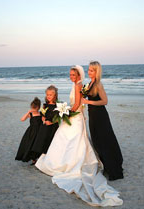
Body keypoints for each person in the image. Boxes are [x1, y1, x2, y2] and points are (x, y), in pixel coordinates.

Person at [35, 65, 123, 207]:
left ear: (78, 75)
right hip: (78, 115)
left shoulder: (78, 86)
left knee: (70, 139)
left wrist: (65, 113)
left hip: (76, 116)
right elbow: (78, 103)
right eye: (70, 74)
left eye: (73, 75)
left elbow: (77, 104)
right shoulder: (80, 85)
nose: (71, 76)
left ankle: (68, 164)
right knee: (72, 139)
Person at [82, 61, 124, 181]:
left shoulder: (98, 84)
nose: (89, 72)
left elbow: (105, 101)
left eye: (91, 70)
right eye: (89, 70)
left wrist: (88, 102)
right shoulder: (90, 83)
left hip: (100, 116)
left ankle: (112, 167)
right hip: (93, 115)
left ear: (96, 71)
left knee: (105, 141)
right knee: (96, 140)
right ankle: (105, 165)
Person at [30, 85, 59, 163]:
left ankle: (47, 158)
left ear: (55, 95)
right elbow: (42, 115)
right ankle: (35, 158)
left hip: (53, 126)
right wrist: (45, 120)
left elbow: (59, 118)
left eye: (50, 95)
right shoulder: (45, 105)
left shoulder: (57, 106)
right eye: (47, 95)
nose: (48, 96)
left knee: (49, 141)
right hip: (45, 126)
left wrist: (51, 122)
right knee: (41, 140)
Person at [15, 97, 42, 163]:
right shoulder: (30, 114)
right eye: (32, 108)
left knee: (37, 144)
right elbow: (22, 119)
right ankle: (33, 160)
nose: (33, 109)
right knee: (30, 144)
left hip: (39, 131)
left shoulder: (40, 114)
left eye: (34, 108)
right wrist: (28, 112)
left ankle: (37, 158)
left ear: (38, 107)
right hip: (31, 132)